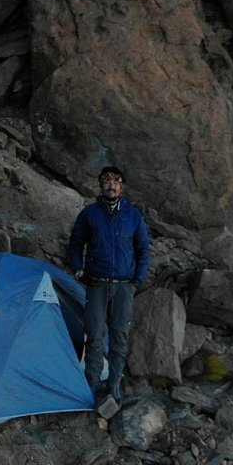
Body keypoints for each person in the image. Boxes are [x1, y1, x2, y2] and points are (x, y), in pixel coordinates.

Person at [67, 165, 151, 416]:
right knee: (93, 333)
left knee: (119, 336)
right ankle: (92, 384)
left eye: (115, 181)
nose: (111, 185)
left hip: (124, 286)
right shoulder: (90, 214)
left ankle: (114, 383)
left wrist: (138, 280)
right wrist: (78, 269)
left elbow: (143, 250)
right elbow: (75, 243)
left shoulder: (133, 216)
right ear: (101, 185)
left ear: (122, 186)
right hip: (97, 284)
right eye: (106, 181)